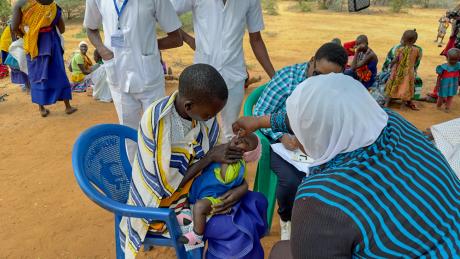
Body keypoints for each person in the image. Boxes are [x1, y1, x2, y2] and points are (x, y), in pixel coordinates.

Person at [233, 73, 460, 258]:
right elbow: (320, 115)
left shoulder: (321, 199)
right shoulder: (391, 120)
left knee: (281, 252)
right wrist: (263, 121)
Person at [120, 64, 268, 259]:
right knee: (234, 229)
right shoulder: (160, 123)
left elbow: (217, 160)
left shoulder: (200, 112)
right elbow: (164, 187)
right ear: (189, 106)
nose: (212, 119)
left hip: (199, 190)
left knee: (255, 203)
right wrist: (209, 158)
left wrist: (240, 188)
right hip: (165, 205)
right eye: (209, 115)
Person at [253, 42, 348, 240]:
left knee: (337, 174)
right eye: (318, 74)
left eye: (330, 79)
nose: (321, 83)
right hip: (279, 143)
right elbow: (259, 112)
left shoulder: (340, 86)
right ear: (312, 61)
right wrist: (281, 136)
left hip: (315, 142)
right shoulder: (287, 79)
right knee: (291, 181)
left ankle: (316, 221)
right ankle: (287, 219)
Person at [84, 0, 183, 161]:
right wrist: (102, 50)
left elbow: (176, 38)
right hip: (118, 76)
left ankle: (159, 175)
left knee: (158, 131)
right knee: (128, 135)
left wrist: (148, 45)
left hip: (149, 78)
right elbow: (90, 28)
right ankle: (135, 178)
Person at [171, 0, 276, 143]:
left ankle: (224, 164)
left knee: (231, 132)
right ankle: (201, 163)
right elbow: (165, 12)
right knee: (199, 131)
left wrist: (274, 76)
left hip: (234, 75)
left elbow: (256, 39)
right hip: (202, 80)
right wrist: (188, 39)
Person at [179, 133, 261, 245]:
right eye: (240, 136)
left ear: (245, 154)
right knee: (184, 194)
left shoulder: (236, 164)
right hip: (200, 188)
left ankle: (197, 235)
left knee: (200, 207)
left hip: (212, 196)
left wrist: (224, 159)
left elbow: (225, 177)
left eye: (245, 142)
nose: (240, 139)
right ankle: (186, 211)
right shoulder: (223, 149)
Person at [11, 0, 77, 117]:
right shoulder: (53, 5)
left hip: (33, 44)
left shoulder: (21, 4)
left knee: (37, 75)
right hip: (52, 43)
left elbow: (14, 27)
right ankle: (67, 106)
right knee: (59, 73)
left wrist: (26, 34)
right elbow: (61, 29)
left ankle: (42, 109)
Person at [385, 30, 422, 110]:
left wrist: (391, 65)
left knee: (392, 85)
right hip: (408, 73)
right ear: (415, 40)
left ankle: (386, 103)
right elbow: (416, 61)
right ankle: (402, 105)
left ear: (403, 39)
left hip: (397, 71)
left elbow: (395, 59)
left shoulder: (400, 49)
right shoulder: (417, 50)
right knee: (405, 87)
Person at [0, 22, 30, 92]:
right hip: (8, 45)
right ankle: (25, 85)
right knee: (19, 65)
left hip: (8, 44)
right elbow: (15, 39)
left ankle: (26, 85)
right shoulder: (15, 23)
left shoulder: (18, 22)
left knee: (20, 65)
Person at [435, 48, 460, 113]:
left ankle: (439, 106)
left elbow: (439, 77)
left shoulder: (443, 67)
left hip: (445, 84)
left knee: (441, 96)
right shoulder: (458, 65)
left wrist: (437, 85)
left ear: (447, 57)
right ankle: (447, 108)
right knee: (450, 96)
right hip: (453, 83)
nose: (453, 61)